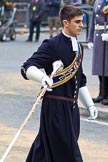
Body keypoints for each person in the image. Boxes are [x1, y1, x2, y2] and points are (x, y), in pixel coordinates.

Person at [21, 5, 98, 162]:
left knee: (46, 148)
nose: (81, 25)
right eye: (77, 22)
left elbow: (80, 80)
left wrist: (89, 105)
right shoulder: (52, 45)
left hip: (72, 109)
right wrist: (42, 78)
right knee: (68, 152)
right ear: (65, 23)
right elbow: (27, 66)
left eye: (82, 21)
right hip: (55, 108)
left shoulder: (78, 46)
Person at [87, 0, 108, 105]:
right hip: (98, 36)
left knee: (107, 68)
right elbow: (93, 21)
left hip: (106, 36)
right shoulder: (97, 1)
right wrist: (90, 39)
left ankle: (107, 95)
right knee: (99, 68)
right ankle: (102, 94)